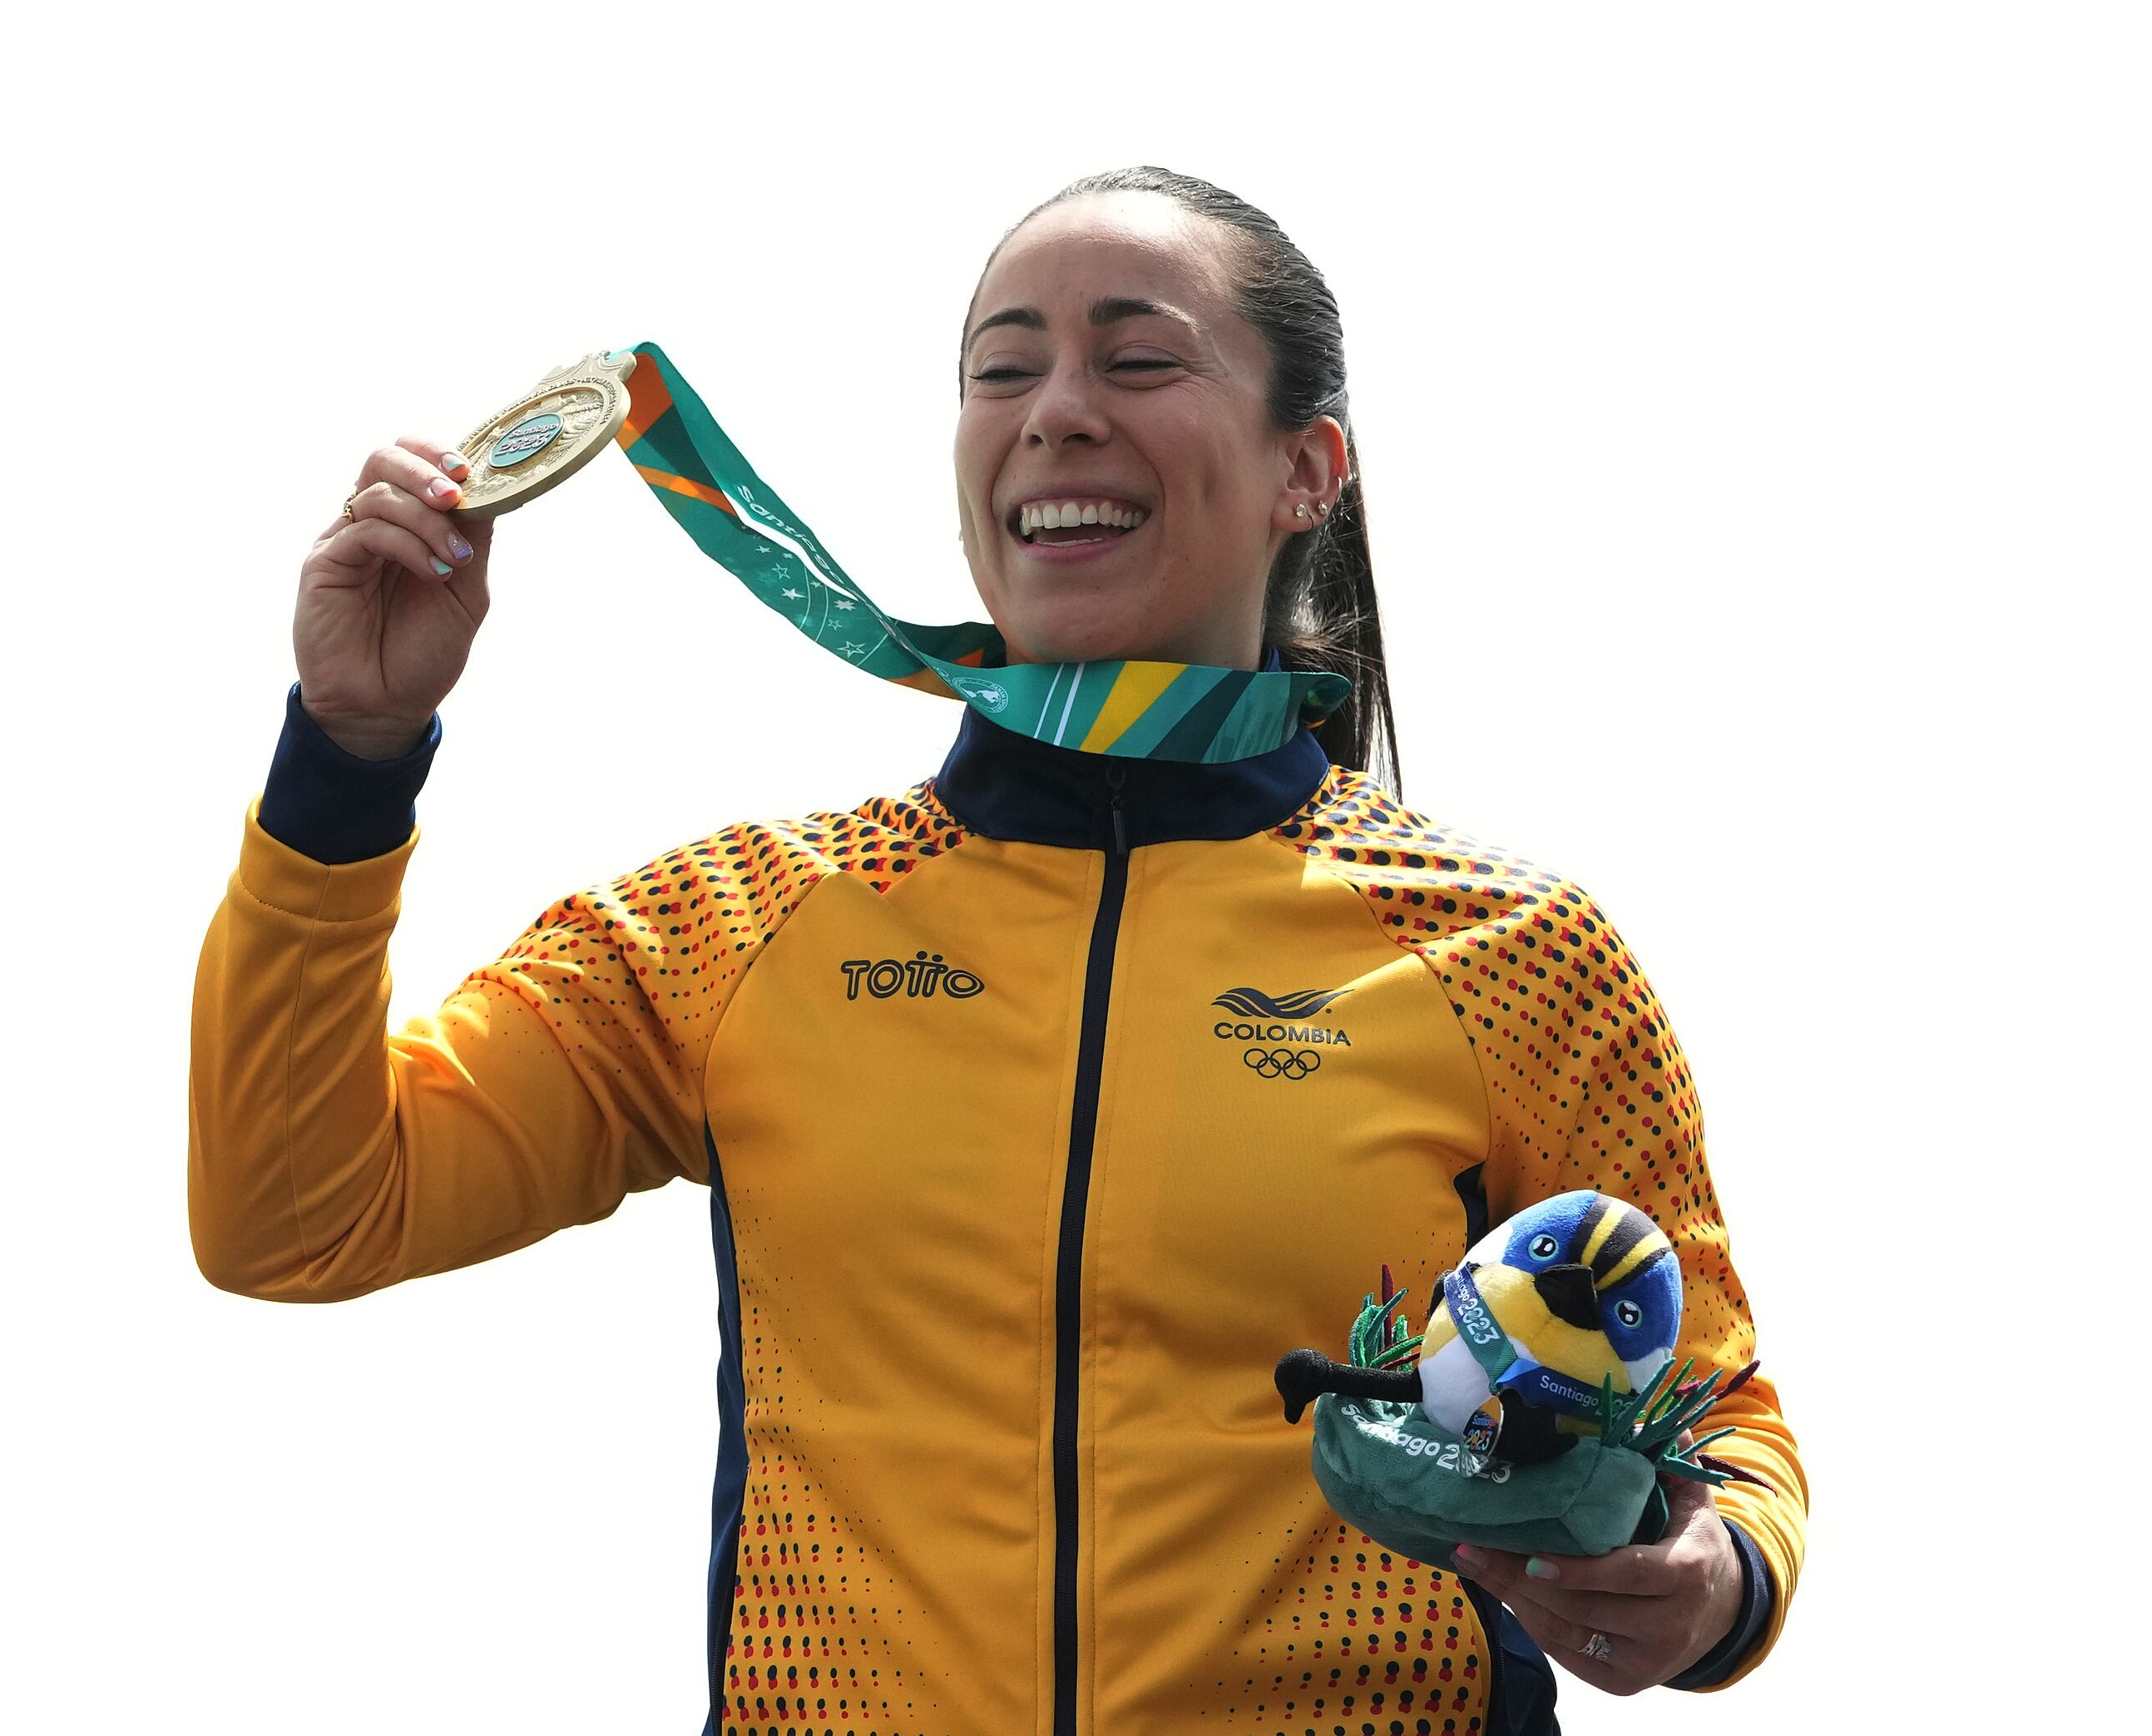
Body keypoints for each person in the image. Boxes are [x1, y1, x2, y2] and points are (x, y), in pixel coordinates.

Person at [187, 166, 1807, 1736]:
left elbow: (1718, 1413)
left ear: (1304, 468)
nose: (1053, 410)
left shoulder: (1507, 949)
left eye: (1135, 355)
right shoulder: (737, 924)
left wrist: (1711, 1575)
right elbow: (294, 1212)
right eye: (1000, 370)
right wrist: (350, 748)